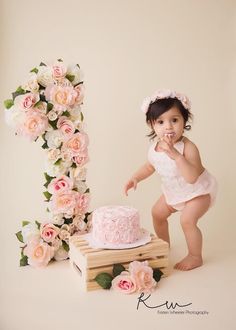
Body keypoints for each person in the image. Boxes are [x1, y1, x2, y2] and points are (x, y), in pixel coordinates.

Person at [124, 89, 217, 271]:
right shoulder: (155, 148)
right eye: (161, 122)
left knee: (187, 220)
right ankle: (164, 245)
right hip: (174, 191)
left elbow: (191, 178)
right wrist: (135, 178)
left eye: (174, 120)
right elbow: (150, 166)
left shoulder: (188, 148)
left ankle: (195, 256)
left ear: (184, 121)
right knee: (157, 213)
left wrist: (176, 156)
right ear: (152, 125)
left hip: (197, 193)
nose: (168, 127)